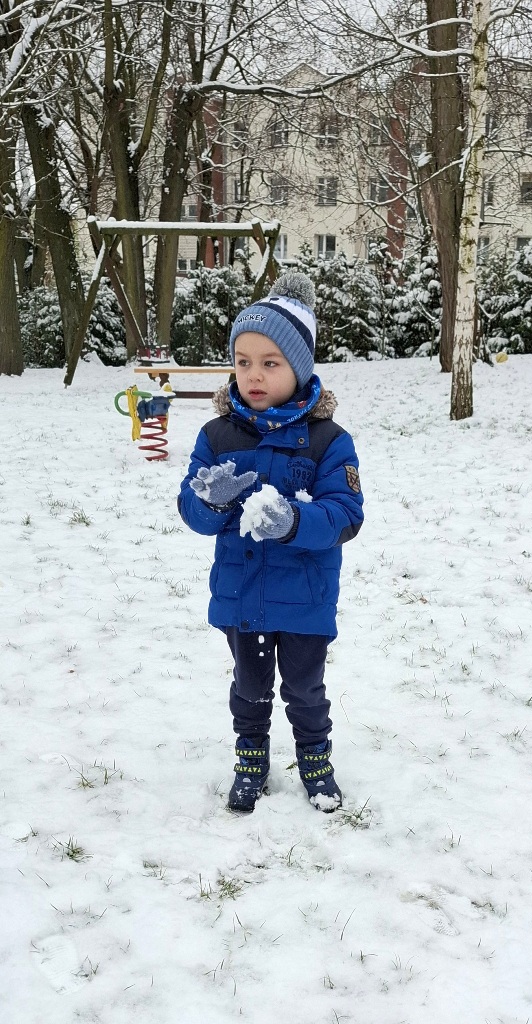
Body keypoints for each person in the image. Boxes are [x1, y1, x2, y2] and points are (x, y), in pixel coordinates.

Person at [178, 272, 364, 814]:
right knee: (249, 687)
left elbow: (346, 515)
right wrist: (210, 502)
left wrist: (293, 521)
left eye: (270, 363)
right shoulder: (217, 435)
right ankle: (251, 758)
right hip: (243, 596)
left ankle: (315, 759)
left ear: (299, 368)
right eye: (243, 361)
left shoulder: (329, 440)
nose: (253, 375)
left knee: (305, 690)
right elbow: (191, 510)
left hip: (304, 599)